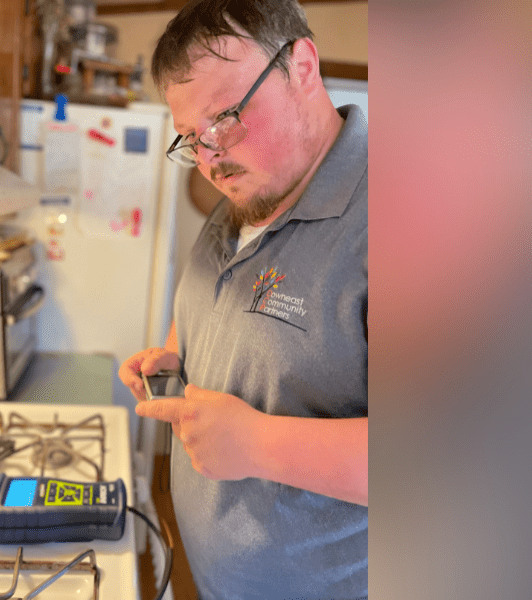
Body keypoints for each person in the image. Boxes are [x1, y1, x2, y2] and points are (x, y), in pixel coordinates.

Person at [118, 0, 367, 598]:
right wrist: (178, 358)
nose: (208, 159)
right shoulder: (246, 197)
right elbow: (217, 309)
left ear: (302, 65)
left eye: (225, 117)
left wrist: (256, 443)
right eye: (189, 139)